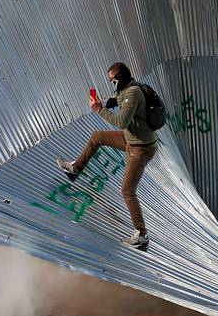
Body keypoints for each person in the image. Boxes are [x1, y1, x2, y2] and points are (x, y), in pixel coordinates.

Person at [56, 62, 158, 251]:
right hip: (132, 138)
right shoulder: (130, 88)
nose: (112, 84)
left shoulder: (133, 92)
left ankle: (141, 235)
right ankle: (74, 170)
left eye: (112, 81)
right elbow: (128, 106)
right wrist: (113, 102)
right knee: (98, 137)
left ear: (120, 79)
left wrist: (99, 110)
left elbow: (121, 121)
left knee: (127, 191)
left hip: (140, 148)